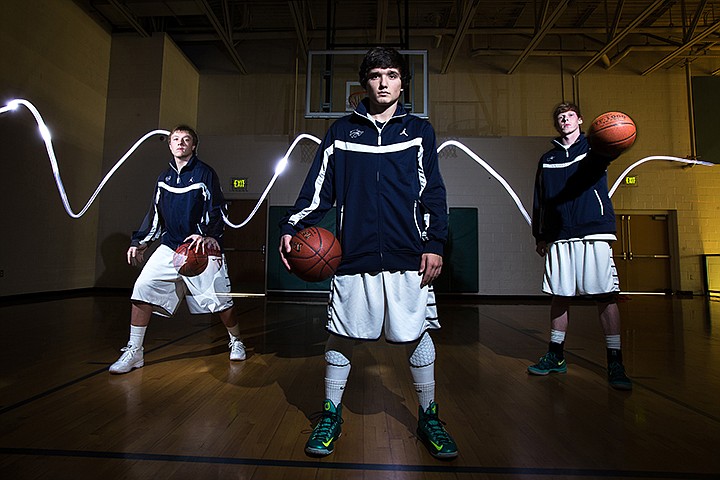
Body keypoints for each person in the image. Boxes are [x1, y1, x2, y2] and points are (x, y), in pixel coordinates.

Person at [279, 47, 458, 459]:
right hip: (353, 255)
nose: (383, 82)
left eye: (392, 74)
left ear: (402, 82)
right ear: (364, 82)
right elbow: (319, 189)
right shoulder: (342, 132)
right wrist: (291, 225)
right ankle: (330, 414)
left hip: (408, 254)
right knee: (340, 335)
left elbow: (433, 192)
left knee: (418, 336)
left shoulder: (419, 131)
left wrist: (434, 244)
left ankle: (429, 415)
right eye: (376, 74)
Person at [109, 125, 246, 374]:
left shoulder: (206, 174)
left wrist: (208, 235)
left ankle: (236, 341)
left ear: (194, 146)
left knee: (221, 302)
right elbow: (154, 215)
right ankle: (134, 351)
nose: (180, 143)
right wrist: (140, 242)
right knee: (142, 288)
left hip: (200, 247)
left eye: (186, 139)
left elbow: (218, 210)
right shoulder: (164, 178)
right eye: (175, 139)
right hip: (171, 246)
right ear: (170, 145)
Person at [528, 102, 632, 391]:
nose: (564, 120)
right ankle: (556, 355)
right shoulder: (547, 158)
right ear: (556, 124)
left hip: (593, 231)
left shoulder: (595, 148)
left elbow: (608, 153)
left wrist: (614, 142)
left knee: (605, 295)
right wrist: (540, 234)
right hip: (559, 234)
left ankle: (615, 361)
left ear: (580, 120)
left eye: (569, 115)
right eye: (560, 117)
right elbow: (541, 198)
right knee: (560, 296)